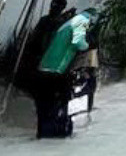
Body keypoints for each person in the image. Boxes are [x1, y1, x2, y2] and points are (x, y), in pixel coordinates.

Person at [34, 8, 94, 138]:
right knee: (62, 101)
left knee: (45, 105)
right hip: (57, 70)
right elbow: (78, 42)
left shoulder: (66, 25)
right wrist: (88, 45)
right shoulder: (81, 21)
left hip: (44, 68)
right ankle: (60, 134)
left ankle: (43, 135)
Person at [19, 0, 70, 92]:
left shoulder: (59, 22)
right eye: (53, 5)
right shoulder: (50, 20)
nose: (53, 8)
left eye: (56, 6)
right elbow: (35, 36)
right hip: (40, 54)